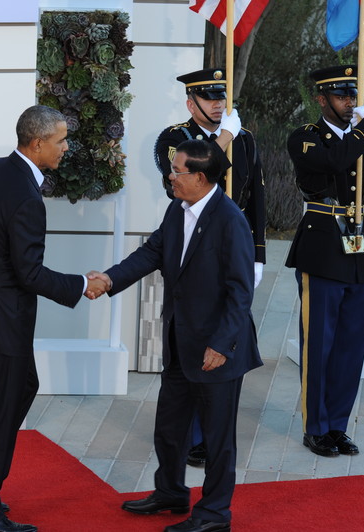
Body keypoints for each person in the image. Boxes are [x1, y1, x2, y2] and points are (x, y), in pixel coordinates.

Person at [0, 105, 107, 532]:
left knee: (19, 391)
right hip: (5, 320)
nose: (65, 147)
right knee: (1, 409)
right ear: (37, 144)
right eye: (60, 140)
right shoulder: (27, 198)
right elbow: (29, 273)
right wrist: (79, 285)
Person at [89, 139, 262, 532]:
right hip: (181, 342)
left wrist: (221, 343)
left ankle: (215, 513)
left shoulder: (230, 219)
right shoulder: (177, 209)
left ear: (200, 177)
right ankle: (170, 492)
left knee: (218, 440)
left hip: (217, 347)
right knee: (170, 427)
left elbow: (241, 291)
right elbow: (152, 253)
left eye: (177, 170)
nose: (170, 176)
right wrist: (110, 279)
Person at [154, 67, 266, 468]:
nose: (219, 103)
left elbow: (256, 199)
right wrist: (225, 138)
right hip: (194, 254)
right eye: (209, 97)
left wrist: (259, 254)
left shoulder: (244, 138)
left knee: (222, 336)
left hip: (232, 250)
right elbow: (193, 177)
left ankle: (207, 434)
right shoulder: (174, 139)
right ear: (191, 103)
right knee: (193, 339)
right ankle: (193, 438)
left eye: (222, 96)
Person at [285, 65, 364, 457]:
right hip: (323, 250)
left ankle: (338, 424)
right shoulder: (305, 138)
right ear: (321, 99)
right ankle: (316, 426)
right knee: (319, 343)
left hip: (359, 252)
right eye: (341, 96)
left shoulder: (363, 141)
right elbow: (335, 162)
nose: (349, 102)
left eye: (352, 95)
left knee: (351, 344)